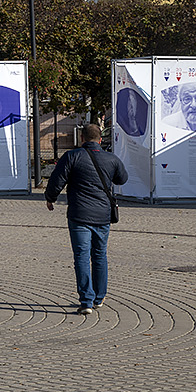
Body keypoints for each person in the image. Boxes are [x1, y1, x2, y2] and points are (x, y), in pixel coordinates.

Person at [45, 122, 130, 315]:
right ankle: (100, 298)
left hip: (79, 215)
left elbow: (56, 181)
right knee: (99, 255)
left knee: (82, 257)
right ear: (100, 140)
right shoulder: (111, 159)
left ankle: (86, 302)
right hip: (102, 216)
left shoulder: (72, 156)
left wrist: (50, 199)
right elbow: (122, 179)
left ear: (82, 138)